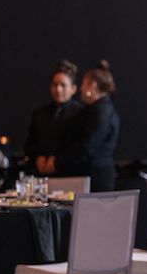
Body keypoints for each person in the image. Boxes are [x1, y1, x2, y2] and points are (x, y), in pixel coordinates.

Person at [49, 60, 121, 192]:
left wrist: (57, 162)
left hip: (96, 180)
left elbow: (87, 146)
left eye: (83, 84)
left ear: (92, 86)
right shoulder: (98, 110)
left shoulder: (100, 113)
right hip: (94, 176)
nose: (81, 88)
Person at [25, 60, 83, 174]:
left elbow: (80, 148)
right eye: (54, 85)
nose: (58, 89)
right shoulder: (39, 113)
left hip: (71, 175)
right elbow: (29, 144)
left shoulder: (81, 114)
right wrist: (37, 158)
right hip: (42, 176)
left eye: (63, 85)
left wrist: (57, 162)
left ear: (73, 89)